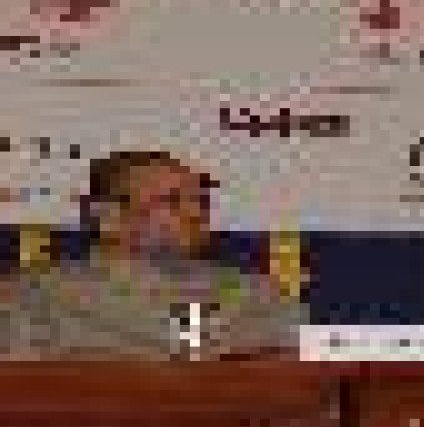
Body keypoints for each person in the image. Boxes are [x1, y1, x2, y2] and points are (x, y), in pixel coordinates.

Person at [1, 150, 304, 359]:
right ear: (108, 216)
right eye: (173, 201)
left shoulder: (258, 295)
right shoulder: (35, 297)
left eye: (201, 201)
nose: (195, 213)